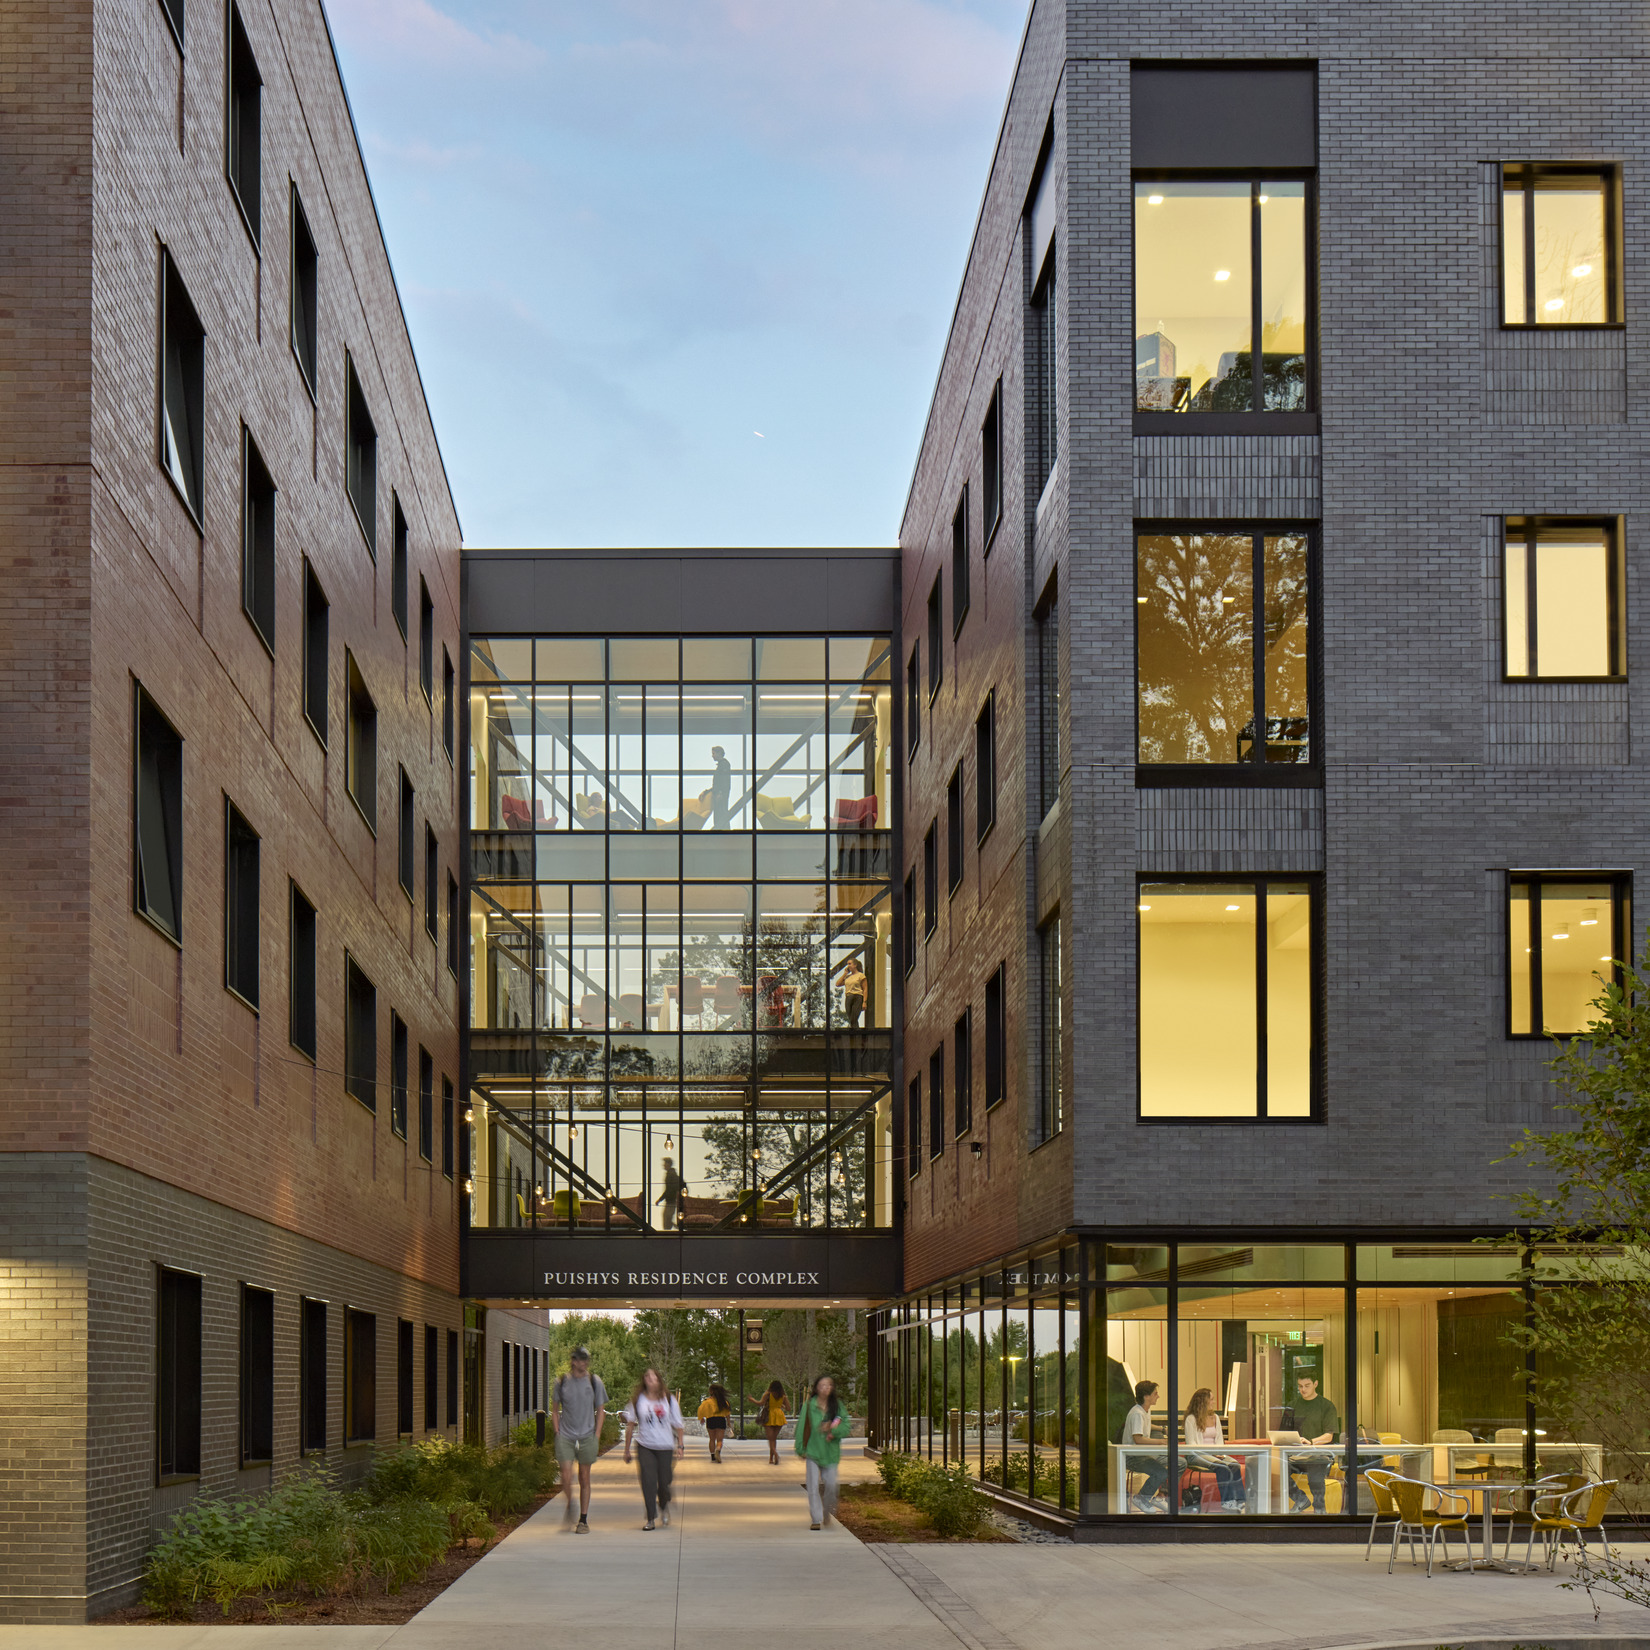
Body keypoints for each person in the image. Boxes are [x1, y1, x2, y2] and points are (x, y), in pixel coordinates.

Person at [551, 1346, 607, 1534]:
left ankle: (583, 1520)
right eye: (580, 1359)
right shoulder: (561, 1382)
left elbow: (601, 1410)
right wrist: (557, 1431)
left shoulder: (594, 1381)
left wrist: (597, 1435)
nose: (584, 1363)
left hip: (587, 1435)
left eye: (586, 1359)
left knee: (584, 1477)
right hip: (566, 1435)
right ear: (573, 1361)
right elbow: (554, 1408)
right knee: (565, 1475)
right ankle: (569, 1503)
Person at [622, 1367, 685, 1530]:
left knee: (664, 1482)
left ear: (659, 1380)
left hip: (665, 1446)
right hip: (645, 1445)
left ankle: (663, 1505)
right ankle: (650, 1518)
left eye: (653, 1376)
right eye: (647, 1376)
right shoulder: (638, 1400)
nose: (650, 1378)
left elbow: (679, 1425)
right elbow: (630, 1426)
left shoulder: (669, 1400)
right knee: (648, 1481)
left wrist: (681, 1446)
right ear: (644, 1380)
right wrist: (627, 1450)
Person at [794, 1374, 849, 1529]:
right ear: (817, 1388)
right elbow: (801, 1427)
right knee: (812, 1486)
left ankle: (827, 1512)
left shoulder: (837, 1406)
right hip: (813, 1450)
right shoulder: (809, 1405)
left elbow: (846, 1427)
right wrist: (800, 1448)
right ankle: (816, 1519)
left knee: (831, 1485)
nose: (826, 1388)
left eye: (829, 1385)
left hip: (830, 1452)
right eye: (823, 1385)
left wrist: (833, 1431)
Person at [1183, 1387, 1245, 1512]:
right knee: (1222, 1467)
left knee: (1234, 1465)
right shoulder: (1191, 1419)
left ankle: (1240, 1500)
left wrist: (1219, 1453)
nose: (1214, 1402)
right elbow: (1191, 1444)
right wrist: (1212, 1455)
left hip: (1216, 1454)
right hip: (1197, 1455)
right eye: (1211, 1399)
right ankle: (1226, 1501)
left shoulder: (1215, 1417)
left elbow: (1220, 1440)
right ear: (1203, 1401)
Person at [1288, 1373, 1341, 1514]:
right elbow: (1285, 1431)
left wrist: (1311, 1442)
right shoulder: (1292, 1406)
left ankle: (1319, 1510)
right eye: (1300, 1386)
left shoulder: (1326, 1406)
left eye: (1307, 1386)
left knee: (1315, 1474)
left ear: (1315, 1384)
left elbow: (1329, 1436)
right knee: (1275, 1469)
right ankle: (1300, 1499)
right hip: (1296, 1455)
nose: (1303, 1389)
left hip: (1318, 1454)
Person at [1120, 1380, 1168, 1512]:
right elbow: (1138, 1439)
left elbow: (1145, 1425)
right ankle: (1141, 1498)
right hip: (1134, 1457)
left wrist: (1162, 1429)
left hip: (1144, 1454)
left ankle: (1161, 1495)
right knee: (1161, 1472)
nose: (1157, 1396)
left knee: (1179, 1463)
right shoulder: (1137, 1413)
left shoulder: (1144, 1411)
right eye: (1155, 1393)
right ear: (1146, 1396)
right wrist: (1161, 1442)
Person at [697, 1383, 731, 1462]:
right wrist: (729, 1423)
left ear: (711, 1391)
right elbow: (727, 1414)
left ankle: (712, 1455)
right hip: (720, 1420)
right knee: (719, 1440)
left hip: (711, 1420)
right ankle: (718, 1450)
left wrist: (701, 1418)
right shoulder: (724, 1402)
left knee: (712, 1439)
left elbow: (701, 1410)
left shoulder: (707, 1402)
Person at [759, 1379, 787, 1464]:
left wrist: (752, 1399)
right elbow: (788, 1408)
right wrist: (780, 1405)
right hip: (779, 1416)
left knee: (770, 1438)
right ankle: (771, 1458)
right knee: (774, 1438)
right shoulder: (783, 1396)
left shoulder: (768, 1394)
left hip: (769, 1415)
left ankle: (775, 1453)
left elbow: (760, 1403)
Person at [838, 960, 869, 1029]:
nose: (848, 965)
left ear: (855, 965)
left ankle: (855, 1035)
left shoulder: (861, 975)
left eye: (849, 964)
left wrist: (864, 1002)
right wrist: (845, 974)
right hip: (848, 997)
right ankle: (856, 1035)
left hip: (857, 997)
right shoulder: (848, 977)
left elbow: (865, 989)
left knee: (854, 1018)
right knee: (852, 1020)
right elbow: (838, 984)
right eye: (847, 964)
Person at [657, 1156, 685, 1230]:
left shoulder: (671, 1175)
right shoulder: (671, 1174)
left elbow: (669, 1190)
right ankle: (677, 1229)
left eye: (665, 1163)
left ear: (668, 1164)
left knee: (667, 1219)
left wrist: (660, 1200)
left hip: (671, 1201)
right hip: (671, 1201)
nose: (663, 1165)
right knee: (667, 1218)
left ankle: (676, 1230)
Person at [709, 746, 732, 830]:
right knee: (720, 813)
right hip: (720, 793)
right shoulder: (723, 765)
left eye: (713, 753)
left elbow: (724, 780)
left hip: (721, 794)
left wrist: (720, 793)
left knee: (721, 813)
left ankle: (723, 832)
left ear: (719, 753)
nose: (712, 756)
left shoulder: (724, 764)